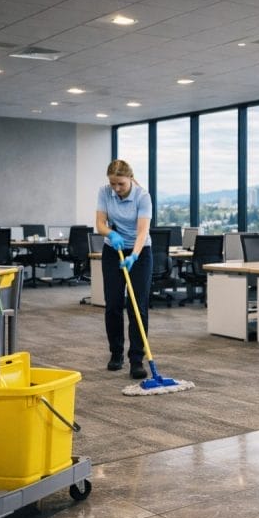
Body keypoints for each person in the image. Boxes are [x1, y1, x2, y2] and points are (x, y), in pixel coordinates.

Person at [95, 159, 153, 380]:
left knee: (137, 306)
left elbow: (142, 232)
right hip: (114, 249)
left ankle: (136, 359)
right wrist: (111, 234)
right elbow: (100, 223)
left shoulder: (142, 196)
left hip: (140, 251)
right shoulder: (104, 192)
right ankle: (116, 353)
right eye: (113, 184)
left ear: (130, 178)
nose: (116, 189)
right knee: (113, 305)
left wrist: (134, 256)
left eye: (120, 184)